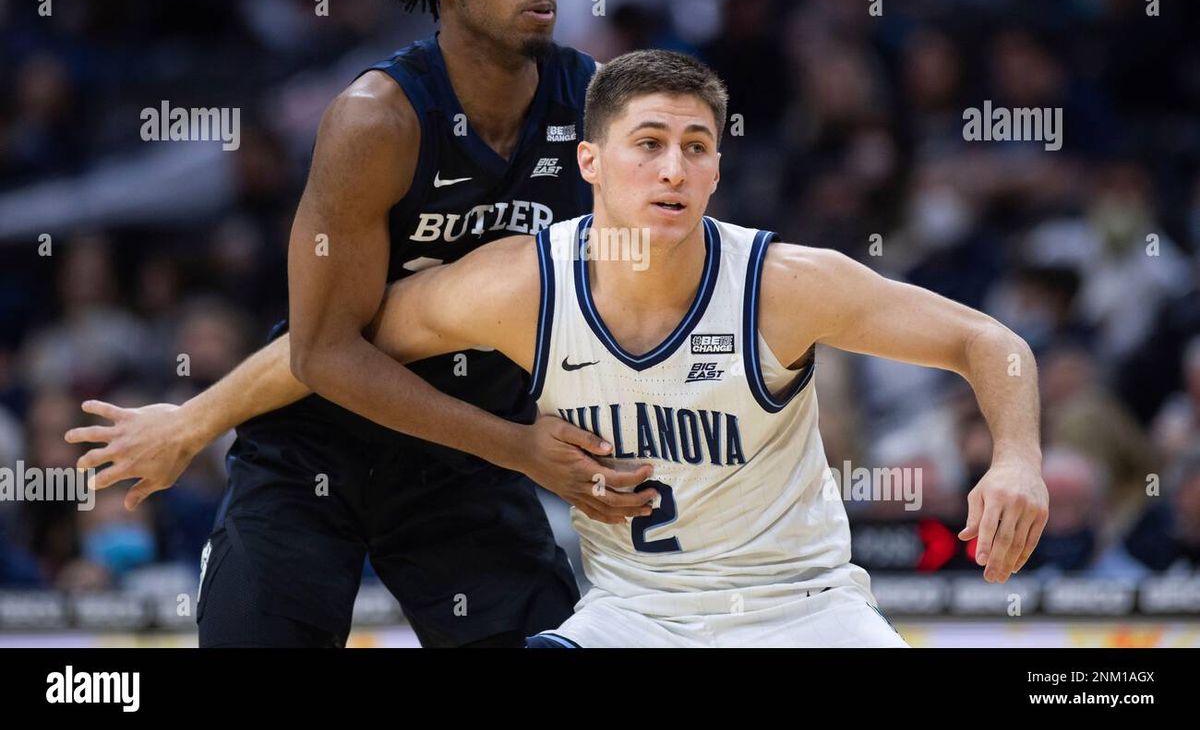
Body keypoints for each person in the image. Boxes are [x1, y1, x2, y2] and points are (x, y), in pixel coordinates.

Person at [74, 50, 1050, 646]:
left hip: (799, 612)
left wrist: (1015, 459)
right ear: (590, 164)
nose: (673, 167)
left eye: (697, 146)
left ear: (719, 169)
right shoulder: (522, 285)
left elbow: (987, 340)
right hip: (628, 622)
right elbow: (328, 344)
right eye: (649, 142)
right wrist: (193, 418)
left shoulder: (784, 286)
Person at [68, 0, 662, 649]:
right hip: (319, 445)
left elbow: (636, 292)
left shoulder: (593, 107)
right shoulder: (375, 120)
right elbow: (323, 352)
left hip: (463, 456)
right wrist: (521, 448)